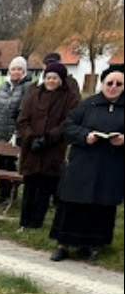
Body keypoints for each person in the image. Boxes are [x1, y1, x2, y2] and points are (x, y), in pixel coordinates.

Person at [48, 64, 124, 262]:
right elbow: (68, 126)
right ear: (103, 84)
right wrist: (85, 136)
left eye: (118, 84)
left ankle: (88, 246)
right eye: (110, 83)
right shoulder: (87, 105)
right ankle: (63, 246)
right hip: (82, 163)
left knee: (98, 208)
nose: (113, 87)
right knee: (72, 206)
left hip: (110, 166)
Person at [15, 61, 80, 230]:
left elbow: (68, 122)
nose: (51, 81)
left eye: (55, 78)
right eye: (48, 77)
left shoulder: (70, 98)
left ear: (61, 79)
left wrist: (47, 138)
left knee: (45, 187)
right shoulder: (34, 94)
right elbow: (23, 119)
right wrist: (30, 137)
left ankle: (36, 222)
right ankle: (24, 220)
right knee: (30, 186)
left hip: (53, 149)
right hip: (32, 149)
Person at [0, 56, 32, 204]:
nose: (16, 72)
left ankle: (12, 195)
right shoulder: (4, 86)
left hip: (15, 134)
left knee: (11, 165)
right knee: (1, 164)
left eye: (19, 69)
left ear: (24, 71)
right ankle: (1, 194)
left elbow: (25, 112)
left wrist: (17, 134)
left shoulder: (28, 87)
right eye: (13, 69)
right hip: (1, 131)